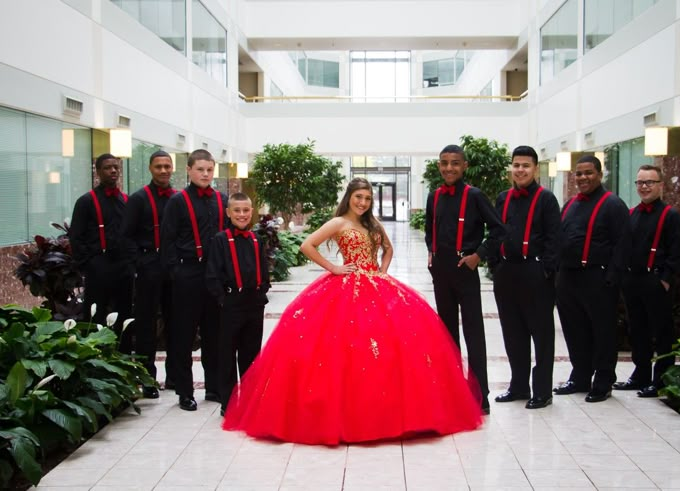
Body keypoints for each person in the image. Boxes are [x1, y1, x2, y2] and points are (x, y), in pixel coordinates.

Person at [222, 178, 483, 445]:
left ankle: (388, 412)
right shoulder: (339, 223)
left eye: (367, 199)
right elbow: (307, 245)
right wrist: (334, 268)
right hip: (346, 284)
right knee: (344, 346)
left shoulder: (371, 222)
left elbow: (388, 249)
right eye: (359, 197)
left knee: (387, 344)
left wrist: (381, 272)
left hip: (375, 284)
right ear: (349, 197)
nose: (363, 202)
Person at [424, 144, 506, 414]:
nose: (449, 168)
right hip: (441, 272)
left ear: (465, 166)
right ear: (439, 166)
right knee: (447, 334)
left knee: (473, 333)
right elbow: (428, 229)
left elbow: (499, 231)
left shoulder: (475, 196)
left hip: (465, 270)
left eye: (455, 163)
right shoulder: (434, 196)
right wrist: (430, 252)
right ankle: (452, 391)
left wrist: (478, 256)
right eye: (445, 163)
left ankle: (480, 394)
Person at [554, 155, 631, 403]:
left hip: (597, 277)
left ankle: (604, 379)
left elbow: (622, 245)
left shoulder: (613, 205)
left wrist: (611, 280)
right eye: (579, 174)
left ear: (599, 174)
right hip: (568, 277)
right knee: (574, 330)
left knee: (602, 331)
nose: (583, 178)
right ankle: (580, 376)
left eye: (588, 173)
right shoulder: (569, 205)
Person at [490, 146, 560, 409]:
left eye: (525, 166)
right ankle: (518, 386)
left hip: (535, 272)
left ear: (535, 169)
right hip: (507, 272)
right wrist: (496, 264)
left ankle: (542, 390)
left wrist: (545, 270)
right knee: (512, 333)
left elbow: (555, 239)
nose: (520, 170)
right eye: (516, 165)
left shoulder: (546, 199)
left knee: (541, 334)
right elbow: (496, 233)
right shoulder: (502, 198)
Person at [160, 149, 228, 411]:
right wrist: (176, 273)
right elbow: (168, 241)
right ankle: (185, 392)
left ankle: (213, 388)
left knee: (215, 335)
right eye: (200, 169)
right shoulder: (177, 202)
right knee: (183, 336)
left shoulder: (221, 200)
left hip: (216, 276)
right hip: (188, 274)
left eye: (209, 170)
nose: (205, 174)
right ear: (188, 170)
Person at [614, 165, 680, 397]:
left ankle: (662, 378)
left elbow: (677, 252)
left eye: (649, 182)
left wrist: (664, 280)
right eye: (640, 183)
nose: (644, 187)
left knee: (662, 331)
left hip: (656, 281)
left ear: (660, 185)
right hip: (633, 280)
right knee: (638, 330)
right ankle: (641, 373)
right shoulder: (632, 213)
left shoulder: (671, 216)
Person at [206, 193, 270, 416]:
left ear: (251, 212)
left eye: (245, 210)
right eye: (237, 211)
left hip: (254, 303)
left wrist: (262, 293)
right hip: (231, 304)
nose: (242, 215)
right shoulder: (220, 240)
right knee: (226, 354)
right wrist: (222, 300)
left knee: (251, 354)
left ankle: (251, 399)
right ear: (228, 213)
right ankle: (229, 401)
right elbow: (212, 274)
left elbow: (263, 267)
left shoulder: (256, 239)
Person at [121, 150, 177, 399]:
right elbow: (126, 235)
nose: (163, 170)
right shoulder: (138, 199)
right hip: (149, 266)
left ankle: (174, 376)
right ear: (151, 169)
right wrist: (139, 263)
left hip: (174, 268)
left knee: (176, 323)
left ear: (172, 168)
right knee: (146, 326)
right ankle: (148, 379)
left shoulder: (178, 198)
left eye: (167, 166)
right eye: (158, 167)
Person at [69, 153, 134, 350]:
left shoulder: (126, 200)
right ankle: (94, 358)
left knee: (125, 315)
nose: (113, 171)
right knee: (95, 315)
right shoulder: (86, 201)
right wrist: (89, 264)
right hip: (99, 266)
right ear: (98, 172)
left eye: (116, 167)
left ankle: (123, 358)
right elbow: (76, 237)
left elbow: (132, 233)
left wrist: (132, 262)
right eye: (107, 167)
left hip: (123, 267)